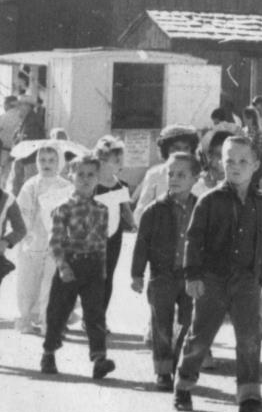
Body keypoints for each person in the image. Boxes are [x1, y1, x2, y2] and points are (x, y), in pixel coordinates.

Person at [173, 135, 262, 412]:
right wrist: (193, 275)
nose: (236, 166)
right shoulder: (210, 200)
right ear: (221, 163)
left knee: (249, 338)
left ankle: (249, 399)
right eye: (230, 160)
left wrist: (260, 279)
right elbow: (193, 241)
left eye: (243, 161)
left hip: (246, 281)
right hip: (212, 280)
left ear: (256, 165)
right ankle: (183, 385)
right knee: (200, 336)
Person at [40, 152, 113, 380]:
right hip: (70, 265)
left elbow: (102, 242)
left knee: (95, 313)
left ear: (98, 178)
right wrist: (62, 265)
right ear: (71, 175)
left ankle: (99, 358)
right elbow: (55, 240)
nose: (85, 179)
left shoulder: (102, 210)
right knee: (58, 311)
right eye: (80, 174)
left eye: (91, 174)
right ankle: (49, 352)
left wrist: (102, 271)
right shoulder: (63, 208)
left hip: (93, 267)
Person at [130, 150, 199, 391]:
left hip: (190, 276)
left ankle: (179, 363)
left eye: (182, 174)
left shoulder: (200, 208)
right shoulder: (154, 210)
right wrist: (137, 274)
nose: (175, 178)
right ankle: (163, 371)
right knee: (161, 323)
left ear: (194, 178)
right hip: (161, 276)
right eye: (171, 173)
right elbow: (142, 244)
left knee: (188, 322)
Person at [9, 142, 72, 338]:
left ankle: (49, 322)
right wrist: (26, 228)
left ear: (59, 162)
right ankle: (26, 317)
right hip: (34, 239)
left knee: (51, 283)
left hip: (57, 241)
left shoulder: (66, 186)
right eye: (43, 160)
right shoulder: (31, 185)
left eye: (52, 160)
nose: (47, 164)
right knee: (28, 281)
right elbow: (22, 211)